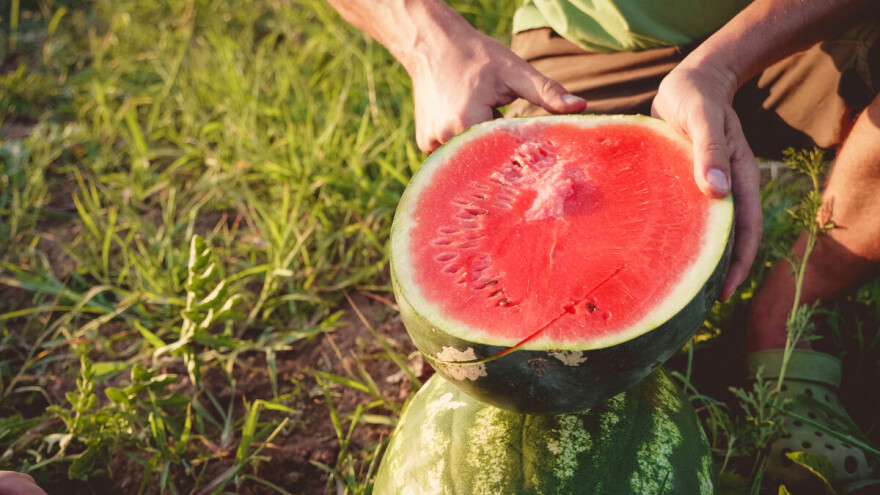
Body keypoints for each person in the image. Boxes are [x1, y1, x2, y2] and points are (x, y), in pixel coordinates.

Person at [326, 0, 879, 486]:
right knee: (528, 189)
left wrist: (720, 65)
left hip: (801, 31)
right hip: (587, 46)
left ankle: (787, 310)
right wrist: (428, 39)